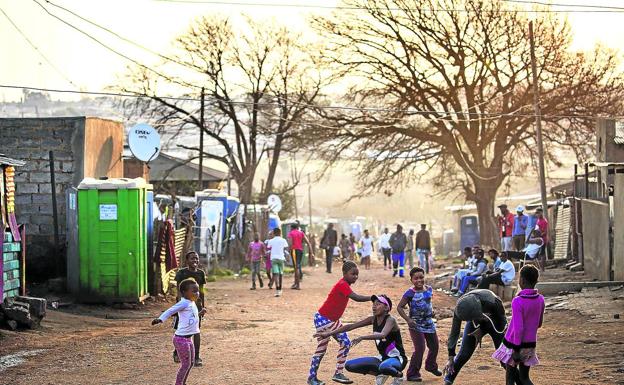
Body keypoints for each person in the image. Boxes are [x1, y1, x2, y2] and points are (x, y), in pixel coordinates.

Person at [308, 261, 374, 385]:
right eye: (352, 274)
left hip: (329, 320)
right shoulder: (342, 284)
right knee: (334, 345)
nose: (355, 276)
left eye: (356, 274)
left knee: (335, 346)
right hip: (324, 319)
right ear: (344, 273)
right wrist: (372, 298)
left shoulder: (345, 284)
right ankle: (326, 375)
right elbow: (356, 298)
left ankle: (324, 376)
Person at [316, 294, 407, 385]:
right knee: (349, 365)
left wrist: (363, 337)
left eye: (378, 304)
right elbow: (351, 326)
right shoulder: (372, 319)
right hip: (382, 358)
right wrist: (328, 333)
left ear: (386, 308)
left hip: (397, 359)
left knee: (384, 366)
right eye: (373, 304)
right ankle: (380, 373)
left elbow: (382, 335)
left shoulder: (391, 320)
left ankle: (399, 376)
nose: (374, 306)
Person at [492, 265, 545, 385]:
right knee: (524, 378)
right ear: (536, 281)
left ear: (522, 281)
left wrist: (515, 350)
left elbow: (519, 328)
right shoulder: (540, 299)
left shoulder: (517, 301)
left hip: (514, 345)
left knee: (510, 379)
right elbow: (539, 324)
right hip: (530, 344)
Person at [443, 289, 507, 385]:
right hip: (475, 321)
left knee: (504, 357)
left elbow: (502, 325)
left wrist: (483, 327)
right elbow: (454, 332)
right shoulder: (461, 308)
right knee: (464, 354)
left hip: (495, 321)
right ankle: (448, 380)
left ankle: (519, 381)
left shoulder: (493, 302)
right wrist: (450, 356)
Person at [152, 278, 207, 385]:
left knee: (190, 363)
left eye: (197, 291)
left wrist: (200, 313)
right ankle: (178, 383)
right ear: (184, 293)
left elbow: (191, 316)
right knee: (185, 365)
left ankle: (182, 382)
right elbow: (171, 310)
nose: (197, 293)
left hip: (188, 339)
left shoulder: (191, 302)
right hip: (181, 339)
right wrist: (160, 319)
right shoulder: (184, 303)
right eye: (194, 291)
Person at [397, 267, 442, 382]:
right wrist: (408, 320)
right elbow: (400, 307)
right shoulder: (409, 293)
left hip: (429, 323)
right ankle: (412, 373)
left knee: (435, 346)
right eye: (416, 278)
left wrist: (432, 312)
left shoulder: (429, 289)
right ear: (411, 280)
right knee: (420, 348)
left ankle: (430, 366)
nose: (419, 280)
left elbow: (428, 303)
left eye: (421, 277)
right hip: (415, 325)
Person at [173, 251, 206, 366]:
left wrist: (202, 306)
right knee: (182, 330)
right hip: (184, 306)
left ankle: (196, 357)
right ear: (187, 261)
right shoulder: (181, 273)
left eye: (196, 259)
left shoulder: (201, 273)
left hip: (196, 307)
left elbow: (201, 292)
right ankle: (177, 352)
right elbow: (178, 290)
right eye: (192, 259)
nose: (195, 261)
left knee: (196, 330)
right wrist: (180, 305)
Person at [288, 222, 312, 290]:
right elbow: (308, 243)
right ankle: (295, 283)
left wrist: (289, 251)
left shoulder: (291, 233)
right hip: (300, 251)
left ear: (292, 228)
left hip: (294, 251)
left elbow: (290, 243)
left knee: (296, 267)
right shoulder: (301, 233)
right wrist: (311, 252)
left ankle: (297, 285)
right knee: (297, 266)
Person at [267, 227, 289, 297]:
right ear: (280, 233)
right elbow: (286, 249)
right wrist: (287, 257)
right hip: (281, 258)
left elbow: (269, 248)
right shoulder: (283, 240)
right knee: (280, 274)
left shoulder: (271, 241)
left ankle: (277, 290)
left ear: (274, 233)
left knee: (275, 274)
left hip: (273, 258)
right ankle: (280, 288)